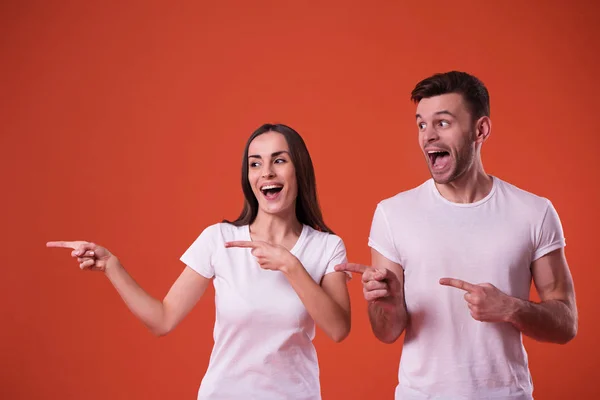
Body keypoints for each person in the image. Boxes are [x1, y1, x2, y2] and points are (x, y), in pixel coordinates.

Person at [47, 123, 351, 400]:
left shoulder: (326, 246)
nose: (266, 172)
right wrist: (112, 266)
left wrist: (291, 265)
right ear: (248, 177)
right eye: (255, 163)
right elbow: (162, 320)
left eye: (279, 160)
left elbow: (338, 329)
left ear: (300, 169)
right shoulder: (218, 239)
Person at [336, 71, 578, 399]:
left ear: (480, 130)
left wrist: (511, 308)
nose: (428, 136)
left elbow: (566, 324)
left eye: (443, 123)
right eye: (421, 124)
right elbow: (387, 332)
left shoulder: (533, 212)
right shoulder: (393, 214)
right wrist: (387, 304)